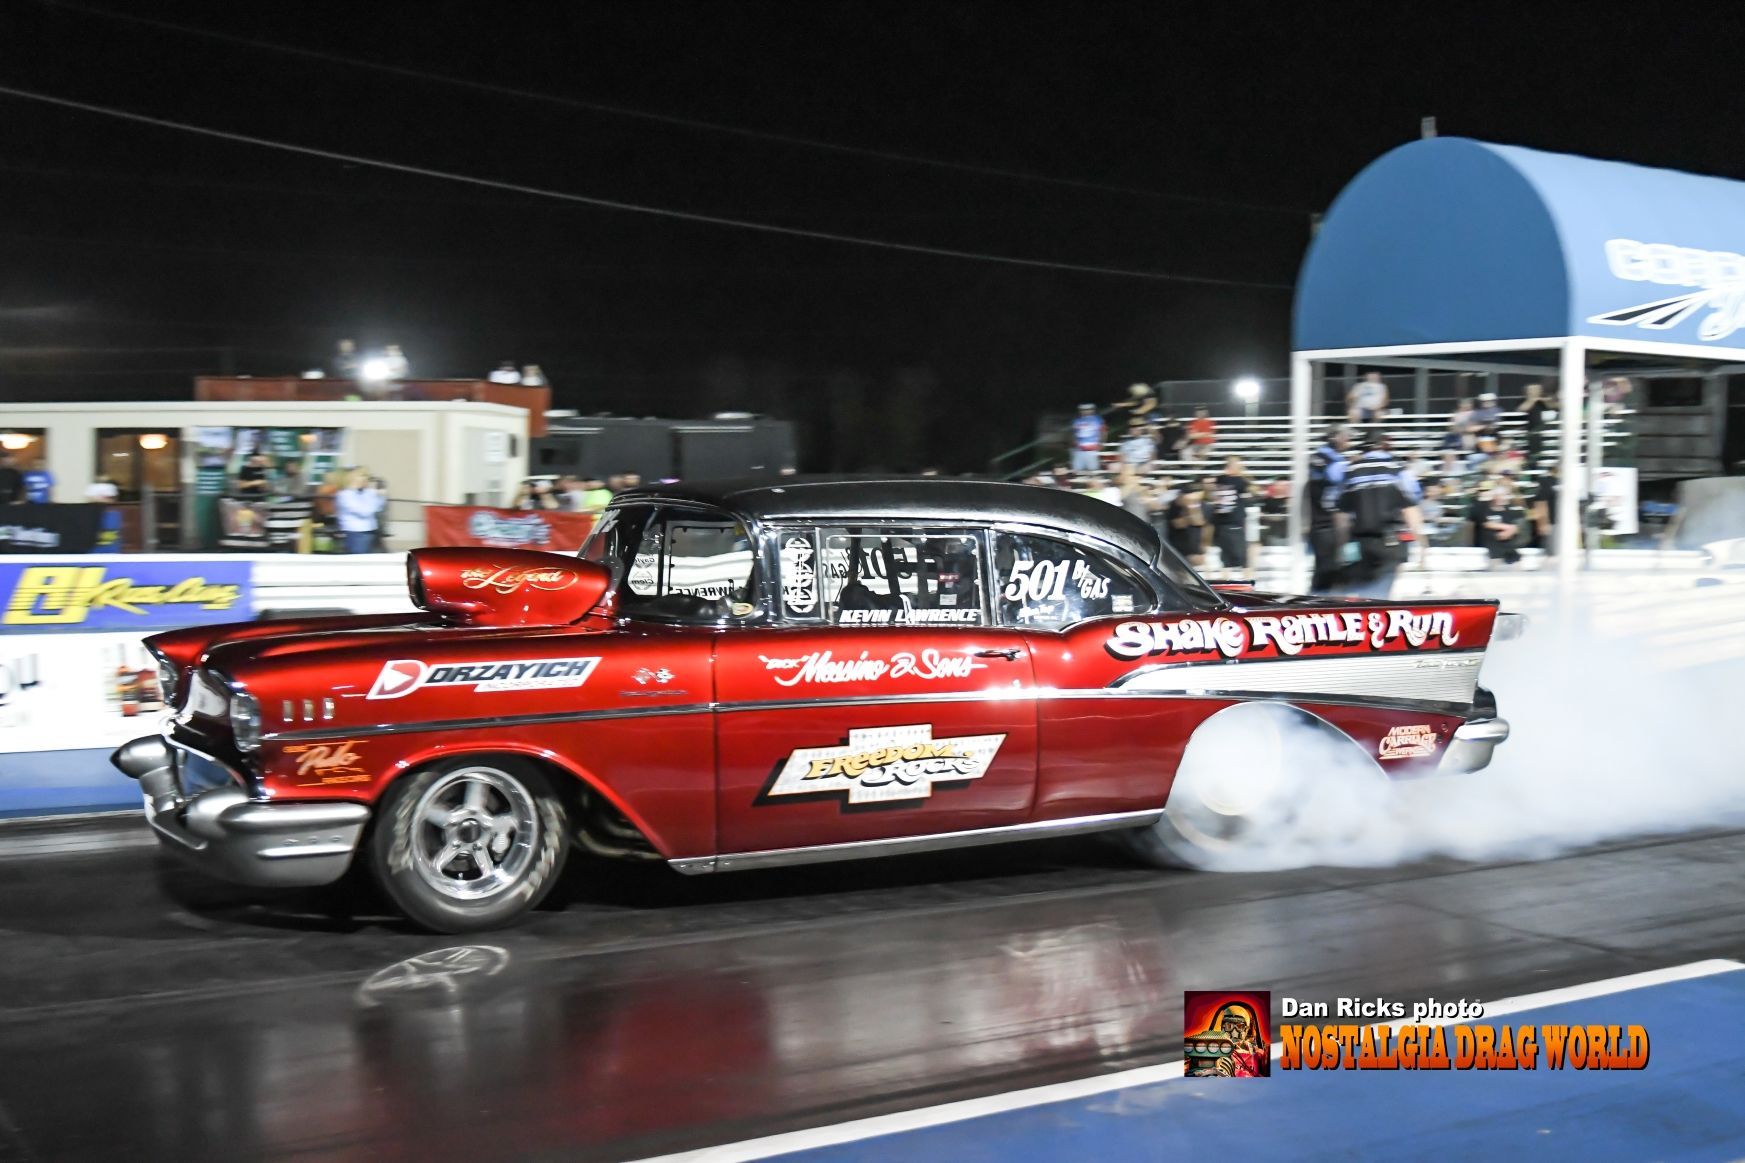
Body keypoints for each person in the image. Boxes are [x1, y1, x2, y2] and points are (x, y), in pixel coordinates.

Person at [1334, 430, 1423, 598]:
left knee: (1361, 592)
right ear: (1384, 446)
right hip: (1392, 541)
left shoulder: (1350, 471)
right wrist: (1420, 543)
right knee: (1383, 594)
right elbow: (1411, 509)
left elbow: (1342, 517)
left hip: (1362, 542)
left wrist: (1341, 544)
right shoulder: (1399, 470)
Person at [1306, 426, 1350, 592]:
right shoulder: (1322, 458)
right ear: (1335, 438)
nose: (1348, 442)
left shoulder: (1330, 458)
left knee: (1332, 567)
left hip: (1330, 523)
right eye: (1345, 437)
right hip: (1324, 523)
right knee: (1326, 568)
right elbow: (1337, 476)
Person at [1208, 456, 1252, 571]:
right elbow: (1252, 487)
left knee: (1226, 562)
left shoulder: (1219, 480)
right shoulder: (1237, 481)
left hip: (1221, 526)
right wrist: (1242, 473)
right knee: (1242, 561)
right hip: (1234, 525)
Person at [1472, 479, 1525, 568]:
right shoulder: (1482, 507)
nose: (1500, 498)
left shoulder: (1509, 510)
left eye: (1503, 495)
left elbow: (1516, 527)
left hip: (1508, 553)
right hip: (1490, 553)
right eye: (1498, 496)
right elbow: (1487, 524)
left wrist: (1512, 530)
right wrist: (1509, 528)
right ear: (1494, 496)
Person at [335, 469, 386, 554]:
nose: (365, 479)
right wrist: (375, 498)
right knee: (359, 560)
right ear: (353, 479)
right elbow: (363, 512)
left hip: (371, 530)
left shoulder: (368, 492)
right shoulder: (345, 495)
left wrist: (381, 496)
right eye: (362, 476)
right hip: (356, 533)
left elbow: (379, 507)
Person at [1166, 478, 1208, 567]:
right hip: (1178, 550)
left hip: (1195, 550)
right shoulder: (1175, 505)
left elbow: (1199, 522)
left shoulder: (1202, 505)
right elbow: (1178, 524)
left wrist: (1202, 551)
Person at [1519, 382, 1550, 465]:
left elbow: (1552, 406)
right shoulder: (1522, 401)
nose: (1535, 391)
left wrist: (1543, 399)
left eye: (1537, 389)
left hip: (1544, 434)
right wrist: (1533, 399)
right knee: (1531, 458)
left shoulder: (1541, 402)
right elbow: (1522, 409)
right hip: (1530, 434)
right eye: (1532, 390)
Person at [1532, 464, 1559, 556]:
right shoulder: (1546, 481)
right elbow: (1540, 503)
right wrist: (1543, 523)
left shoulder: (1567, 482)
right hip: (1552, 524)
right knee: (1551, 554)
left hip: (1563, 524)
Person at [1070, 404, 1105, 474]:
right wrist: (1074, 442)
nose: (1086, 412)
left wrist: (1102, 442)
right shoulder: (1076, 420)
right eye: (1083, 410)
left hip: (1092, 449)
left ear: (1092, 410)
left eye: (1088, 410)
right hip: (1079, 449)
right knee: (1077, 471)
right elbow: (1073, 432)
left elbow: (1103, 431)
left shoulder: (1097, 419)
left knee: (1093, 471)